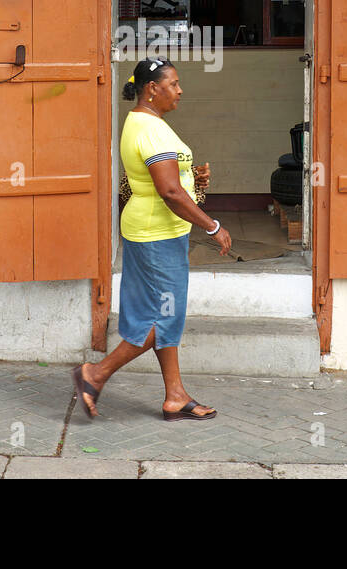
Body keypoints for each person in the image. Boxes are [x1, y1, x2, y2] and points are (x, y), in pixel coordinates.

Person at [72, 57, 233, 422]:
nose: (180, 91)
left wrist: (193, 178)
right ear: (152, 89)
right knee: (163, 318)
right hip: (156, 234)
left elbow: (167, 181)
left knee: (163, 317)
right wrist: (212, 226)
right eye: (173, 84)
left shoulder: (143, 123)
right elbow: (170, 193)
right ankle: (94, 374)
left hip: (157, 232)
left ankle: (175, 396)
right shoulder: (151, 129)